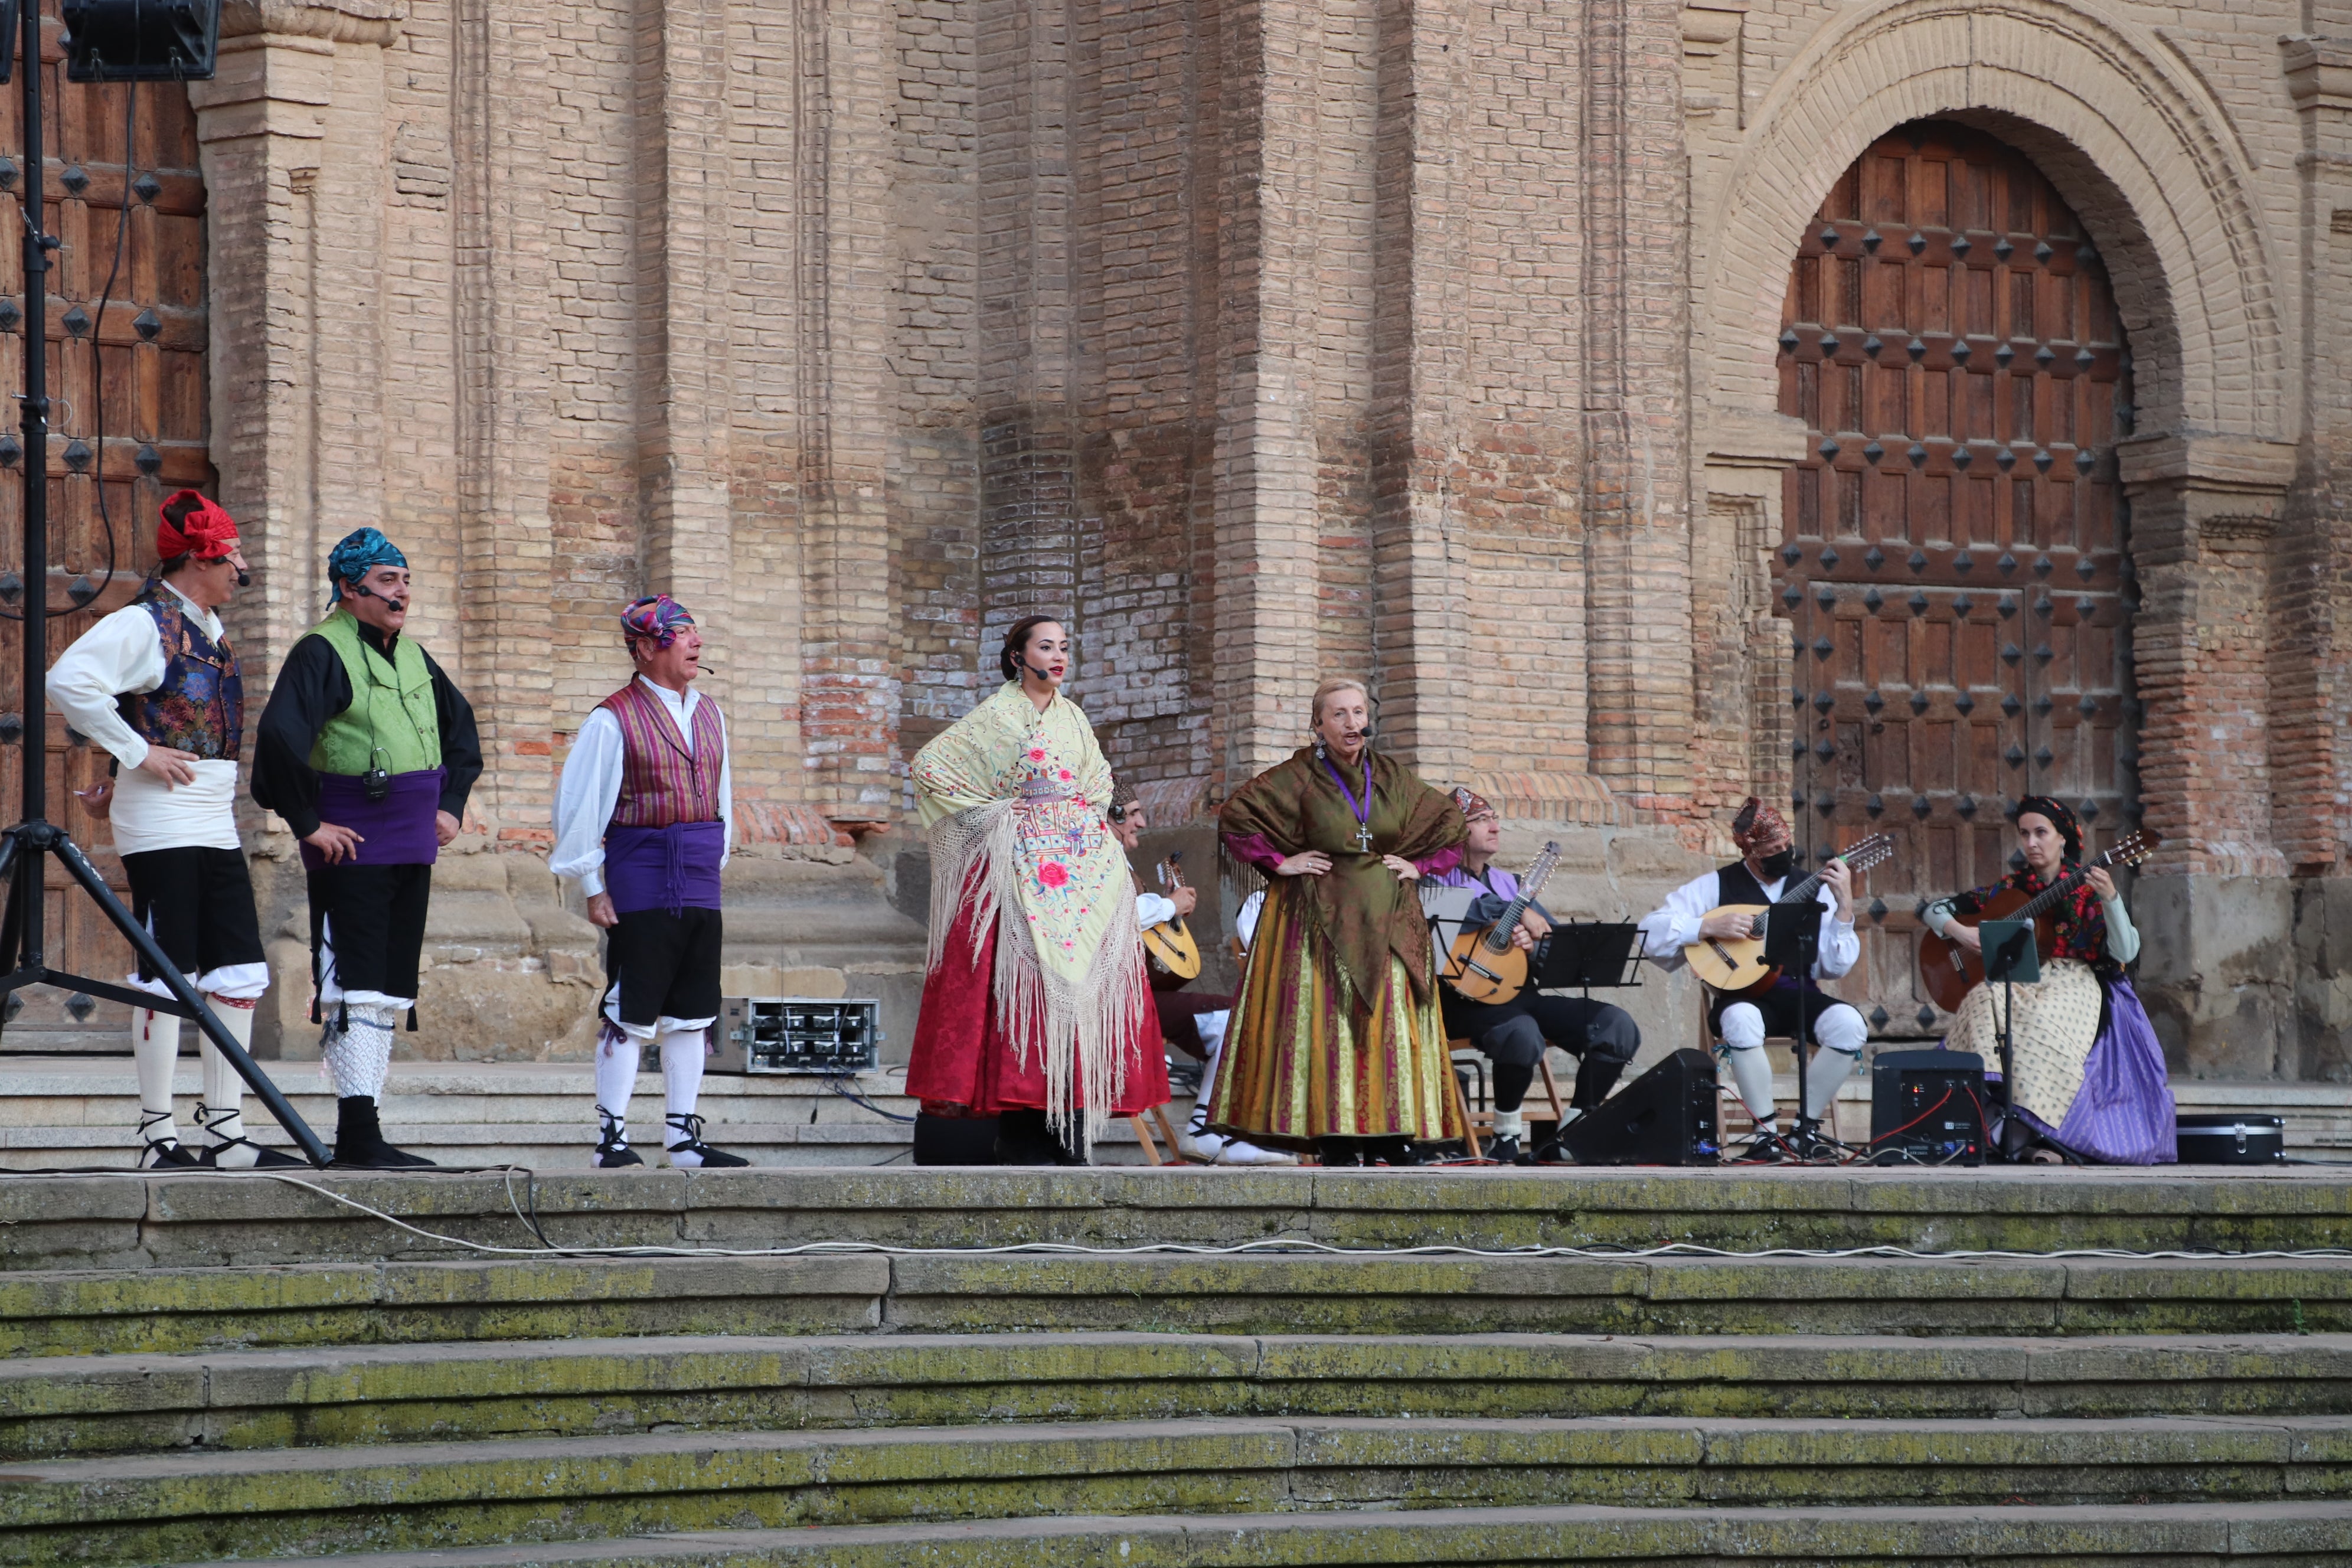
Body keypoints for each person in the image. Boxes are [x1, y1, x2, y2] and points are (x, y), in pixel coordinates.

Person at [46, 491, 295, 1169]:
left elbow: (147, 703)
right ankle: (158, 1136)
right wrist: (135, 756)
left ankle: (227, 1132)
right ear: (196, 560)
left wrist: (126, 757)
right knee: (168, 970)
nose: (241, 568)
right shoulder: (146, 622)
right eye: (231, 556)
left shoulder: (207, 625)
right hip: (161, 814)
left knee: (237, 969)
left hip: (210, 812)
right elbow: (71, 680)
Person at [252, 528, 482, 1168]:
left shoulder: (415, 657)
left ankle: (367, 1128)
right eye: (387, 579)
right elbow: (278, 737)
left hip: (412, 842)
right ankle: (357, 1129)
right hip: (351, 844)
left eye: (405, 578)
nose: (401, 590)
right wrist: (307, 823)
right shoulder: (321, 652)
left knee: (387, 986)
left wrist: (451, 806)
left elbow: (461, 734)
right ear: (350, 589)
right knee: (354, 982)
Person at [906, 616, 1167, 1164]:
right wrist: (1000, 813)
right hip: (1020, 871)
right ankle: (1022, 1128)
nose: (1058, 657)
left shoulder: (1074, 717)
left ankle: (1069, 1127)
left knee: (1078, 999)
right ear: (1018, 656)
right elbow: (931, 768)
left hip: (1081, 875)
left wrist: (1088, 826)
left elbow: (1096, 785)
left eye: (1064, 648)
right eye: (1046, 647)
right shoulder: (997, 716)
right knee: (1025, 995)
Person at [1208, 678, 1468, 1165]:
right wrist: (1281, 861)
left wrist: (1420, 866)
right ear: (1318, 725)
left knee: (1388, 1026)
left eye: (1358, 713)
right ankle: (1336, 1138)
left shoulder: (1391, 775)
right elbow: (1237, 816)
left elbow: (1450, 822)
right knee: (1330, 1026)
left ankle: (1392, 1137)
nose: (1352, 724)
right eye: (1340, 715)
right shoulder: (1299, 775)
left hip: (1389, 915)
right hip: (1318, 920)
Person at [551, 594, 747, 1170]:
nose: (696, 643)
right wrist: (591, 883)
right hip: (641, 870)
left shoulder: (709, 712)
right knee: (631, 1005)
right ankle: (610, 1137)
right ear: (644, 647)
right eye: (681, 633)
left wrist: (716, 861)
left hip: (698, 873)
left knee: (693, 1009)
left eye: (693, 632)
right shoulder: (612, 717)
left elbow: (723, 794)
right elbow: (581, 805)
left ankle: (682, 1137)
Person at [1919, 797, 2174, 1164]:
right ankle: (1992, 1127)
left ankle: (2042, 1137)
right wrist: (1961, 933)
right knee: (1981, 999)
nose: (2032, 843)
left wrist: (2112, 899)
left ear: (2063, 839)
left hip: (2075, 981)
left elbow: (2125, 952)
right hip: (2020, 980)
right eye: (2025, 834)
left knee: (2035, 1025)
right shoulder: (2011, 888)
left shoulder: (2087, 888)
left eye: (2041, 833)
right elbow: (1934, 910)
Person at [1638, 796, 1863, 1158]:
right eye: (1774, 850)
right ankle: (1767, 1137)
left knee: (1850, 1025)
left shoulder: (1817, 888)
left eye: (1787, 846)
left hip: (1798, 994)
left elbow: (1834, 967)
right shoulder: (1715, 885)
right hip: (1742, 996)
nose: (1784, 854)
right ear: (1751, 853)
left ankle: (1805, 1130)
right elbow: (1649, 933)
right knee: (1742, 1020)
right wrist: (1708, 926)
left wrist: (1846, 905)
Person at [1423, 786, 1639, 1162]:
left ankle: (1571, 1132)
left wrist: (1532, 944)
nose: (1495, 826)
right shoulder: (1432, 881)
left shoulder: (1512, 883)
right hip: (1460, 1003)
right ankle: (1506, 1136)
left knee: (1617, 1028)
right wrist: (1514, 911)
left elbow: (1551, 949)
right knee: (1521, 1034)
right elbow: (1453, 914)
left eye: (1495, 818)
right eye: (1481, 820)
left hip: (1522, 997)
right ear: (1457, 831)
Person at [1104, 782, 1294, 1167]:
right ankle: (1207, 1131)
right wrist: (1166, 906)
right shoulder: (1099, 861)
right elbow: (1109, 918)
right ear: (1114, 816)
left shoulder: (1119, 862)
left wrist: (1166, 909)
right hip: (1113, 999)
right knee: (1239, 1020)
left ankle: (1223, 1132)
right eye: (1135, 812)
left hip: (1138, 992)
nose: (1142, 821)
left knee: (1247, 1017)